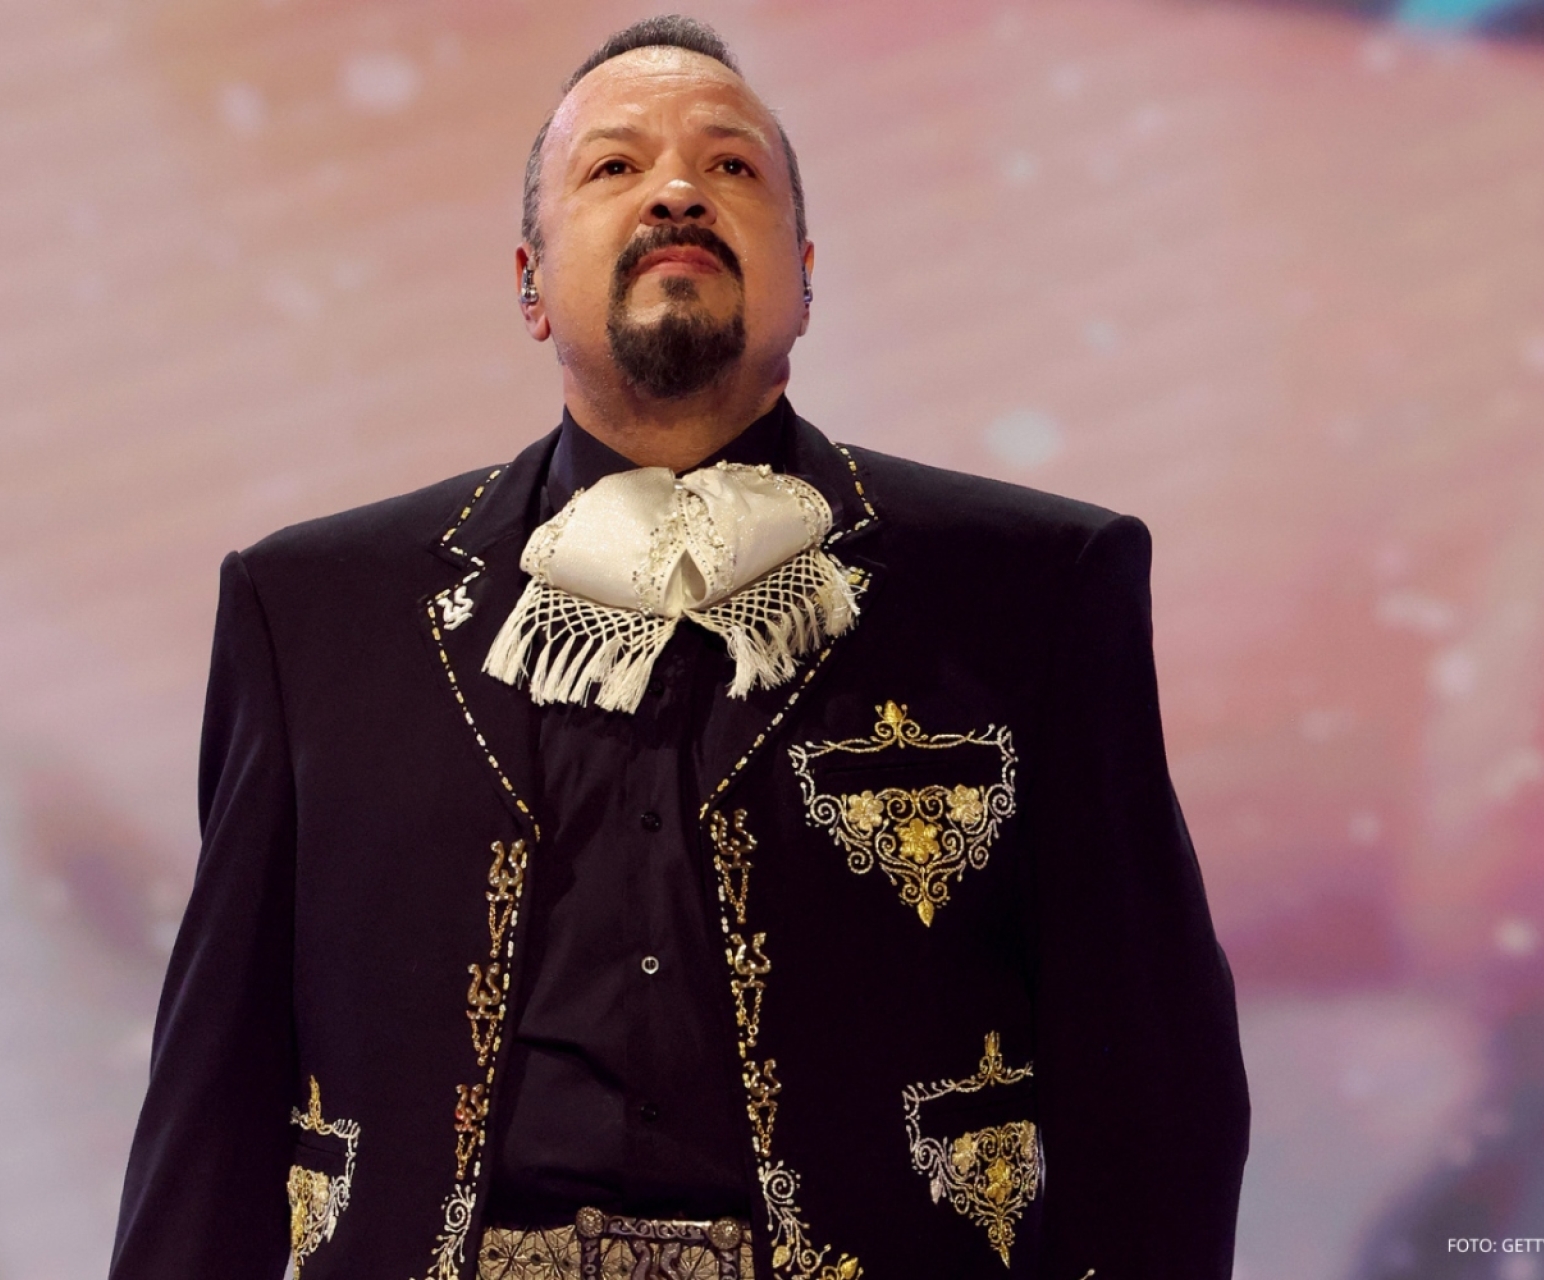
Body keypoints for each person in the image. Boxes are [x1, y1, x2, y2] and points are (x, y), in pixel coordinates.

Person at [108, 15, 1248, 1280]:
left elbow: (1152, 1076)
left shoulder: (1030, 587)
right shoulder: (316, 611)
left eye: (731, 165)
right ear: (529, 282)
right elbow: (215, 1095)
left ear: (805, 276)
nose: (676, 192)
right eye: (614, 165)